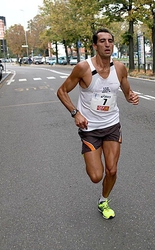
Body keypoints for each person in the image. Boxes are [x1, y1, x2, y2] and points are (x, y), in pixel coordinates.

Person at [57, 28, 139, 219]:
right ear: (94, 45)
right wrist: (75, 113)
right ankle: (91, 156)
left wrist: (132, 97)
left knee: (112, 170)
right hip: (90, 129)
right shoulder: (83, 68)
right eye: (102, 41)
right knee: (96, 177)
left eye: (110, 40)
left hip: (112, 125)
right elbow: (61, 91)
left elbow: (127, 93)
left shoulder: (119, 68)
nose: (107, 44)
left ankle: (104, 200)